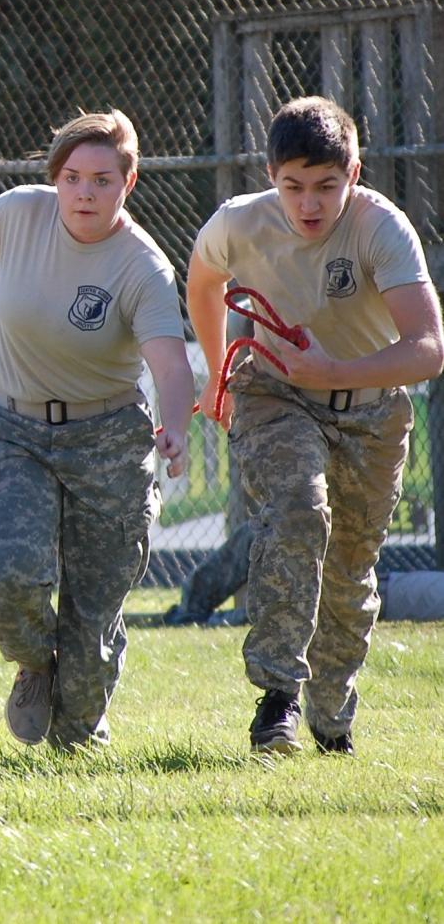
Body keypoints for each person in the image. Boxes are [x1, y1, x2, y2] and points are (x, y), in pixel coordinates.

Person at [0, 109, 194, 751]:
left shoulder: (142, 266)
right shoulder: (19, 213)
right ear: (56, 179)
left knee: (91, 625)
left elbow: (170, 364)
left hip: (107, 441)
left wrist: (177, 424)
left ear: (127, 183)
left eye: (101, 179)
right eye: (72, 177)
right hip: (12, 428)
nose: (84, 192)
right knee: (12, 573)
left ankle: (78, 716)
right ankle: (32, 663)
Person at [187, 96, 444, 756]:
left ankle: (331, 712)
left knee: (350, 570)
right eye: (292, 186)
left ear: (352, 175)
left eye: (325, 186)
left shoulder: (378, 228)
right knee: (298, 513)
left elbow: (427, 347)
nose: (308, 203)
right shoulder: (238, 223)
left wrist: (331, 370)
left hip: (369, 411)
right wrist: (217, 374)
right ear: (269, 174)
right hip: (274, 392)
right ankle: (277, 697)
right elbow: (203, 281)